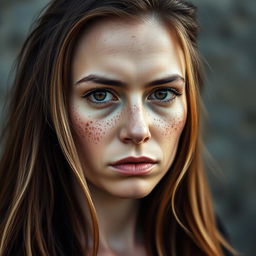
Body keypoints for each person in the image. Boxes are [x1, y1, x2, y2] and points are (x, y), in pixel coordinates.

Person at [0, 0, 237, 255]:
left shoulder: (208, 244)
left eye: (163, 92)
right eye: (100, 95)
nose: (138, 130)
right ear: (50, 107)